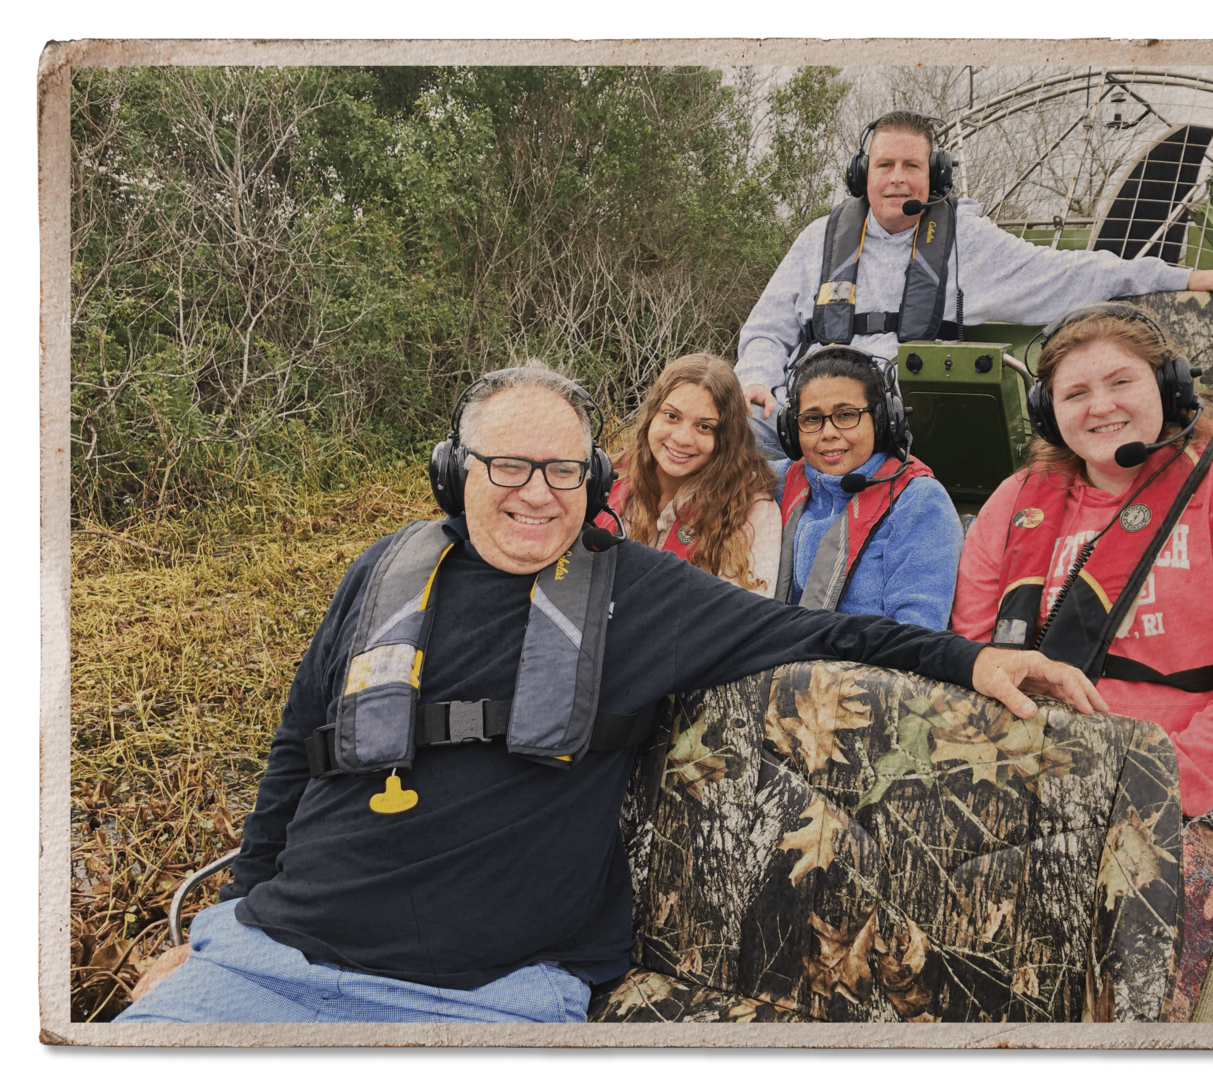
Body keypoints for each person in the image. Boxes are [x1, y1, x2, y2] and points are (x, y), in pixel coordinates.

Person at [118, 365, 1106, 1025]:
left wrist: (973, 662)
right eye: (508, 465)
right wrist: (227, 920)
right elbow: (299, 748)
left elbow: (820, 627)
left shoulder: (634, 590)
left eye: (562, 469)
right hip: (264, 965)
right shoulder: (382, 572)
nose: (537, 494)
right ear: (453, 472)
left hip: (485, 1001)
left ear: (593, 475)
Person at [949, 303, 1213, 1021]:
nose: (1101, 407)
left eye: (1121, 382)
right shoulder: (1013, 506)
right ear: (1045, 409)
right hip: (1030, 773)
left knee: (1134, 940)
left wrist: (1139, 796)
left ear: (1171, 387)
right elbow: (971, 660)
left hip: (1201, 793)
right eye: (1074, 393)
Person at [736, 111, 1213, 451]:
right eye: (884, 165)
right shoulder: (818, 241)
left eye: (911, 166)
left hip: (902, 416)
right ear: (861, 174)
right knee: (728, 429)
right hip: (808, 410)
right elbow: (767, 328)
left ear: (933, 175)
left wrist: (1180, 275)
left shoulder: (967, 241)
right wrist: (756, 378)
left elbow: (1068, 275)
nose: (896, 178)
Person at [773, 346, 962, 631]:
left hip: (868, 670)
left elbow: (918, 634)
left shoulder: (920, 501)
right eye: (812, 419)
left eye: (846, 415)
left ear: (882, 420)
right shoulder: (779, 481)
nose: (828, 433)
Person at [599, 354, 780, 597]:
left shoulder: (752, 511)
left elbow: (744, 619)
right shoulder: (611, 475)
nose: (682, 438)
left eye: (705, 427)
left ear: (728, 438)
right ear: (652, 415)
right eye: (672, 416)